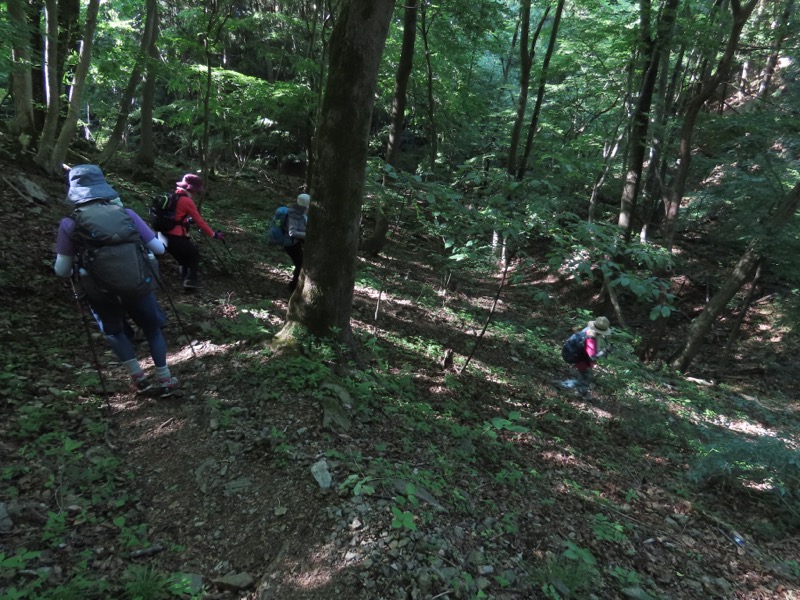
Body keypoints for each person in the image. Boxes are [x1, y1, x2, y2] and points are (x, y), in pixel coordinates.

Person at [53, 164, 177, 395]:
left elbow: (62, 270)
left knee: (114, 332)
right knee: (152, 330)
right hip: (138, 284)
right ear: (103, 186)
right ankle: (165, 379)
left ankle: (139, 380)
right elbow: (158, 250)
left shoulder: (69, 223)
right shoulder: (126, 214)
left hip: (99, 291)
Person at [161, 173, 224, 291]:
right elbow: (200, 221)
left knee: (183, 259)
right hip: (176, 237)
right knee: (194, 254)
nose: (195, 194)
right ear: (191, 189)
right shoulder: (186, 201)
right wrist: (213, 234)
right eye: (196, 191)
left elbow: (176, 217)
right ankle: (190, 282)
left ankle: (187, 285)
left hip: (163, 235)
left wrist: (187, 221)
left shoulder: (173, 196)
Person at [561, 316, 612, 389]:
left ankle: (573, 383)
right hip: (574, 357)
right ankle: (563, 385)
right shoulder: (590, 338)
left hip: (571, 352)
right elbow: (592, 357)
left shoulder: (588, 329)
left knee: (585, 376)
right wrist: (605, 351)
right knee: (586, 380)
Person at [284, 193, 310, 292]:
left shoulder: (301, 212)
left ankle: (295, 285)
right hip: (291, 244)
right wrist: (307, 235)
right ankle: (293, 286)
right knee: (300, 264)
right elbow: (292, 232)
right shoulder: (294, 214)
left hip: (296, 242)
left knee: (301, 263)